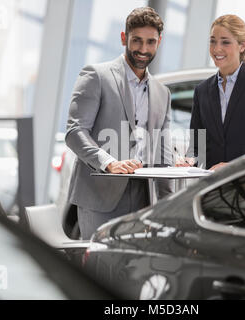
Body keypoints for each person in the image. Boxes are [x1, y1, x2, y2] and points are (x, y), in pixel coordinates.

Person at [65, 7, 173, 240]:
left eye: (150, 42)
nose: (143, 49)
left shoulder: (162, 93)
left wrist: (168, 205)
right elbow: (75, 131)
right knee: (98, 270)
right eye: (137, 41)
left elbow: (163, 157)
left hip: (144, 199)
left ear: (159, 42)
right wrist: (108, 162)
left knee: (132, 271)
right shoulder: (96, 75)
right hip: (100, 195)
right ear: (124, 38)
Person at [182, 14, 245, 171]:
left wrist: (234, 167)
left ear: (242, 45)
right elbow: (198, 148)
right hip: (212, 190)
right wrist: (188, 161)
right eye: (213, 41)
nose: (217, 49)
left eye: (225, 42)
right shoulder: (202, 91)